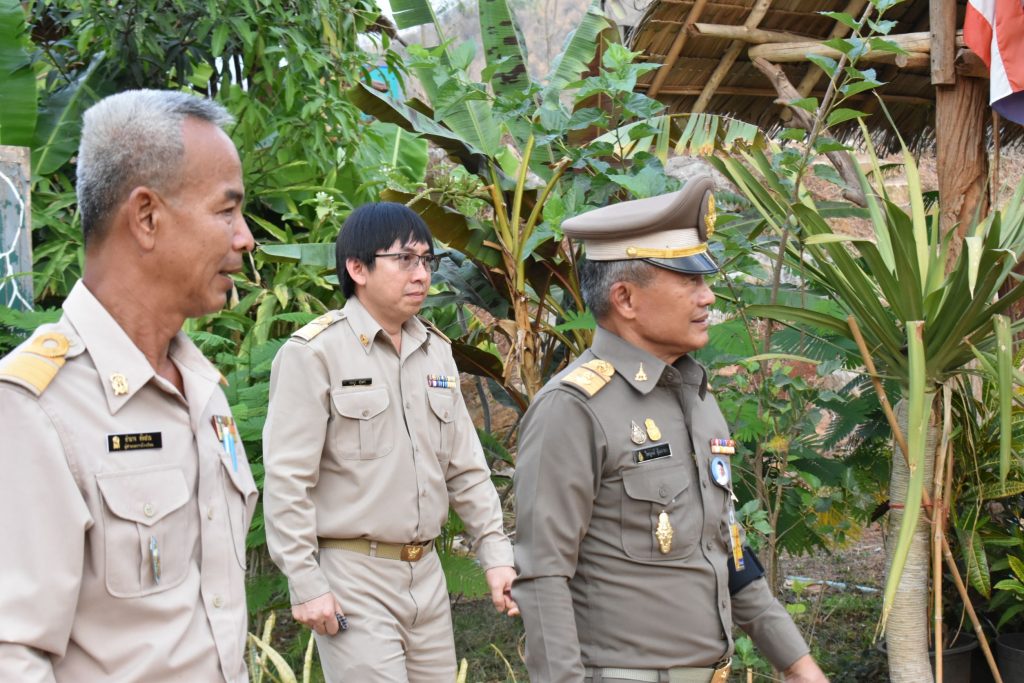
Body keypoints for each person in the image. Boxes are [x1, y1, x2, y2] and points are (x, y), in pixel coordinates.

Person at [513, 173, 829, 683]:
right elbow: (542, 576)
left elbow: (729, 548)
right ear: (626, 299)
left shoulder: (695, 397)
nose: (707, 298)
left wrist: (795, 661)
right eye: (689, 281)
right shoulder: (572, 409)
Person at [0, 90, 258, 681]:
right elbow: (14, 656)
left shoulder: (200, 388)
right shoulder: (35, 410)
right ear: (146, 217)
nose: (244, 238)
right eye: (226, 211)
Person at [262, 202, 517, 682]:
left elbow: (466, 468)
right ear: (357, 268)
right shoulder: (314, 353)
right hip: (354, 575)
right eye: (405, 259)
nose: (421, 274)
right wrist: (306, 581)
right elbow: (288, 479)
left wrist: (496, 557)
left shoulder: (436, 350)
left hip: (426, 576)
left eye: (427, 260)